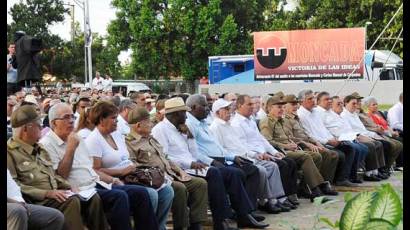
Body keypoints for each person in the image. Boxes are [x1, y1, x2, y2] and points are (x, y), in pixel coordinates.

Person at [152, 97, 268, 229]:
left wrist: (189, 138)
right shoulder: (160, 130)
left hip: (193, 165)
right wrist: (191, 163)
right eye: (184, 113)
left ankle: (239, 215)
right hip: (178, 169)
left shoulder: (182, 127)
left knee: (230, 173)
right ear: (175, 114)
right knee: (214, 173)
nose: (186, 115)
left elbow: (194, 153)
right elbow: (165, 157)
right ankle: (221, 220)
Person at [39, 102, 157, 230]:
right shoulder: (47, 144)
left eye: (72, 117)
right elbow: (61, 176)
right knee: (119, 197)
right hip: (79, 190)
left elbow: (91, 169)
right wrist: (70, 149)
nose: (71, 121)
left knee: (140, 193)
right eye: (66, 117)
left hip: (95, 184)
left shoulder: (76, 138)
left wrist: (111, 180)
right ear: (53, 123)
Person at [85, 101, 173, 230]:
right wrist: (120, 172)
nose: (117, 121)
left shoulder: (116, 134)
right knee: (150, 194)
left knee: (167, 191)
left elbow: (125, 158)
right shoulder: (93, 140)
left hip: (131, 175)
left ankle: (159, 227)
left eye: (116, 117)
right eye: (113, 118)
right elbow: (95, 170)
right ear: (102, 119)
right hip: (113, 181)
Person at [126, 106, 209, 230]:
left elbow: (166, 158)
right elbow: (133, 166)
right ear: (138, 125)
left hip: (169, 174)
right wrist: (157, 175)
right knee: (178, 188)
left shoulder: (150, 138)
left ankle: (196, 224)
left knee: (199, 183)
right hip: (151, 179)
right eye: (148, 122)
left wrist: (180, 171)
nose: (151, 124)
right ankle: (180, 226)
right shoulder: (130, 142)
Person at [210, 98, 297, 213]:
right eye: (226, 109)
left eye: (229, 108)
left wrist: (271, 152)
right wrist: (255, 154)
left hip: (248, 155)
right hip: (237, 158)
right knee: (262, 169)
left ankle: (275, 199)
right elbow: (223, 150)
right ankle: (264, 202)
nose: (229, 111)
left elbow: (257, 140)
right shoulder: (218, 127)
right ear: (217, 112)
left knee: (277, 164)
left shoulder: (231, 124)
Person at [7, 105, 85, 230]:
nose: (42, 127)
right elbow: (14, 187)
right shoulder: (10, 152)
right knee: (71, 202)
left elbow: (52, 175)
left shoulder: (39, 148)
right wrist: (46, 193)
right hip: (34, 200)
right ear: (26, 129)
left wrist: (68, 185)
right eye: (38, 124)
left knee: (83, 197)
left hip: (52, 195)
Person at [185, 94, 262, 211]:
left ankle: (248, 210)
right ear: (194, 107)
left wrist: (232, 157)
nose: (207, 109)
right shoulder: (190, 125)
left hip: (221, 158)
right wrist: (214, 161)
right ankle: (242, 213)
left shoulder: (203, 123)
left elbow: (219, 147)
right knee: (236, 173)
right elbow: (195, 152)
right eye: (205, 106)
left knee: (251, 169)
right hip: (208, 162)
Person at [259, 95, 340, 199]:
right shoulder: (266, 121)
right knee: (305, 156)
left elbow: (290, 137)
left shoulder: (280, 121)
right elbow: (267, 141)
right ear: (270, 108)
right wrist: (287, 145)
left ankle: (304, 188)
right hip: (280, 151)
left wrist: (295, 143)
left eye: (283, 107)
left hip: (291, 148)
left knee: (316, 156)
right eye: (279, 107)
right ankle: (316, 190)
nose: (281, 109)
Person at [296, 89, 357, 186]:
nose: (313, 101)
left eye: (314, 98)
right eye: (310, 99)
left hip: (327, 141)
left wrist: (333, 139)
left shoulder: (315, 112)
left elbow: (323, 129)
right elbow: (309, 135)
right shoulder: (301, 115)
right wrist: (327, 141)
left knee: (349, 148)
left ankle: (342, 178)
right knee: (335, 154)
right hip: (316, 143)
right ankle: (326, 182)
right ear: (301, 102)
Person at [315, 93, 370, 184]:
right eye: (326, 99)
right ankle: (342, 178)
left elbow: (336, 128)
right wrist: (330, 140)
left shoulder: (330, 112)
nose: (329, 101)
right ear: (319, 102)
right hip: (327, 140)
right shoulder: (318, 112)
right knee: (350, 148)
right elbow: (327, 129)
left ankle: (349, 176)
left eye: (330, 99)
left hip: (336, 138)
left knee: (358, 148)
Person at [340, 95, 389, 180]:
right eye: (353, 103)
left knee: (378, 143)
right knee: (372, 145)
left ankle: (376, 171)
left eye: (356, 103)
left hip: (363, 135)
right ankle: (369, 173)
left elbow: (363, 129)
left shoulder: (354, 114)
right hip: (355, 138)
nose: (355, 105)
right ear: (346, 103)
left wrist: (373, 135)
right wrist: (368, 137)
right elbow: (352, 132)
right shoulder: (344, 115)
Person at [363, 96, 403, 169]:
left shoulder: (379, 113)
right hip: (382, 134)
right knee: (398, 141)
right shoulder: (369, 116)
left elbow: (386, 125)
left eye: (376, 104)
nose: (376, 106)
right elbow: (377, 128)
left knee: (399, 140)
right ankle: (393, 165)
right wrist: (390, 133)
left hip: (388, 133)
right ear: (368, 106)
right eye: (373, 105)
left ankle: (390, 165)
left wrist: (393, 131)